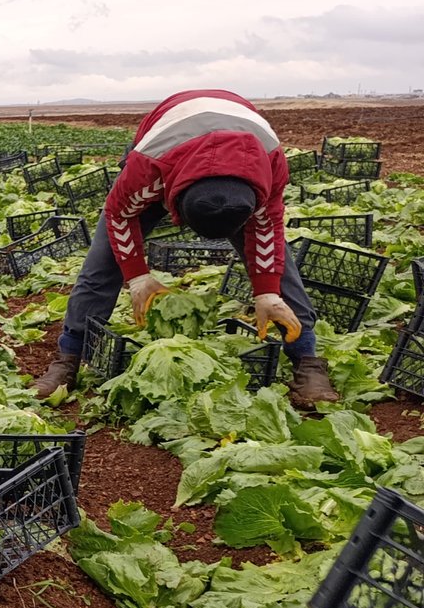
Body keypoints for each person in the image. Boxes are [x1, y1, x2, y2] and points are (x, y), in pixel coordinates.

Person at [31, 89, 340, 408]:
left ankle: (307, 361)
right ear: (172, 204)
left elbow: (267, 230)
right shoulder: (148, 168)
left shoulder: (270, 167)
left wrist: (267, 292)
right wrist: (137, 276)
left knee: (279, 264)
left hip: (244, 160)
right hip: (167, 154)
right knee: (103, 261)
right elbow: (119, 215)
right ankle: (68, 356)